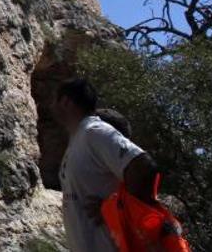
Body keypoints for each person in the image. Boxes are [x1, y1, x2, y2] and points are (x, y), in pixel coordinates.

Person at [53, 78, 159, 252]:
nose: (51, 106)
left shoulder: (95, 131)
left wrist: (117, 208)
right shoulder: (77, 138)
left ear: (65, 102)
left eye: (54, 100)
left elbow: (144, 167)